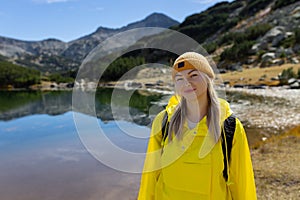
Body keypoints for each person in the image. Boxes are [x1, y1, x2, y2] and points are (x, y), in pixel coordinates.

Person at [138, 52, 257, 200]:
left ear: (208, 79)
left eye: (193, 75)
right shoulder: (163, 122)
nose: (186, 83)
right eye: (179, 79)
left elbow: (243, 184)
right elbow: (150, 177)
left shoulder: (230, 127)